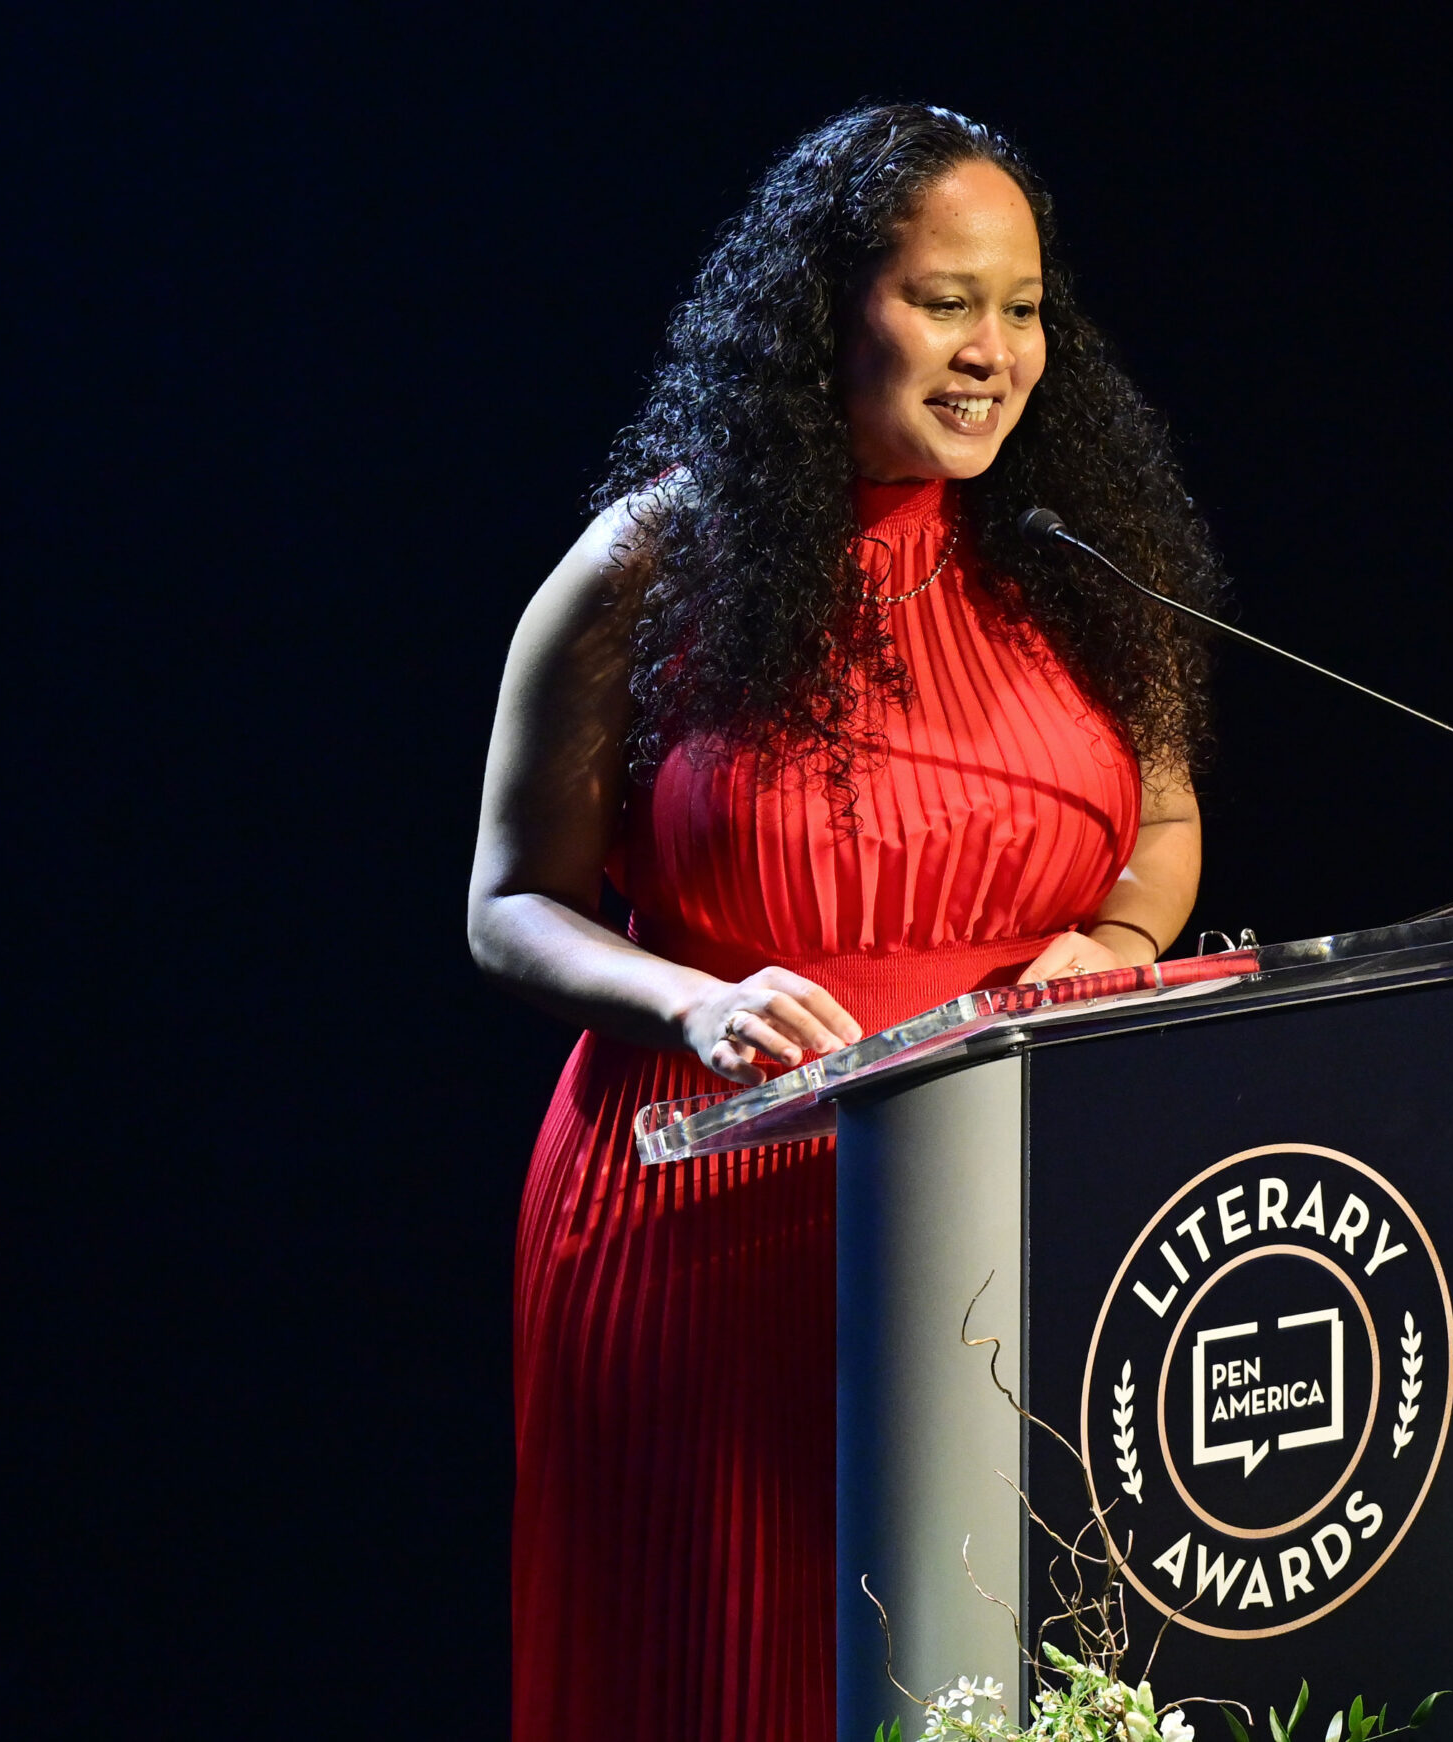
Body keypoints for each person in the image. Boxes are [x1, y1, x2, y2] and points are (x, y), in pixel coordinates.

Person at [467, 103, 1222, 1742]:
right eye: (946, 299)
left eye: (1023, 308)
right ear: (831, 313)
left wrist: (1122, 942)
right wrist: (690, 1005)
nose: (996, 351)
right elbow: (509, 903)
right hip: (704, 1215)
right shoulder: (652, 568)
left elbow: (1158, 829)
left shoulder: (1082, 568)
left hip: (1011, 1222)